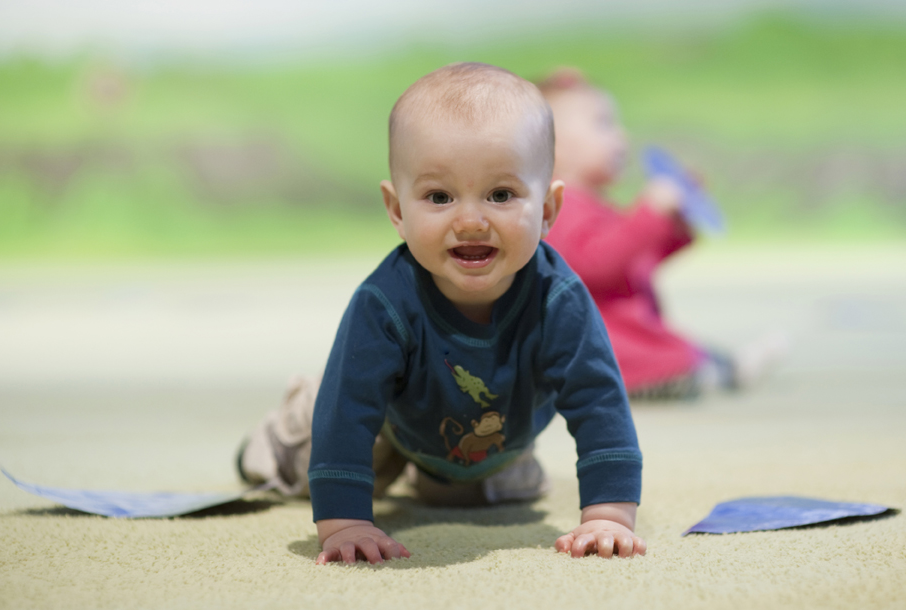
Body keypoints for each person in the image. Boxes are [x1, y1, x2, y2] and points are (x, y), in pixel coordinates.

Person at [237, 63, 646, 565]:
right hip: (389, 418)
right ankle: (290, 422)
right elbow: (350, 408)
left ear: (547, 210)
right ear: (397, 210)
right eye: (439, 197)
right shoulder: (384, 302)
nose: (471, 220)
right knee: (312, 457)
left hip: (488, 438)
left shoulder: (557, 299)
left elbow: (597, 399)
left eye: (500, 195)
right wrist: (345, 524)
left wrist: (608, 515)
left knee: (481, 491)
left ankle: (454, 470)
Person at [539, 68, 785, 399]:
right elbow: (596, 264)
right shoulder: (559, 208)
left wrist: (674, 222)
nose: (621, 137)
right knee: (672, 360)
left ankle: (723, 368)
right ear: (553, 146)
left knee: (684, 348)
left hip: (628, 336)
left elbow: (634, 259)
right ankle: (714, 375)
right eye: (603, 124)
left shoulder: (593, 204)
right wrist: (650, 211)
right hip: (611, 350)